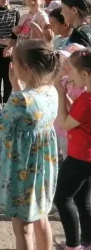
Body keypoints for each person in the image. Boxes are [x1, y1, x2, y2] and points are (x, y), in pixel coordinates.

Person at [0, 40, 61, 250]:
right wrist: (16, 87)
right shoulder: (51, 91)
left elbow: (2, 126)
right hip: (42, 166)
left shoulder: (21, 100)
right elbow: (25, 116)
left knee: (23, 228)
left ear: (26, 68)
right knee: (41, 218)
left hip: (23, 168)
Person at [54, 48, 91, 250]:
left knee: (62, 199)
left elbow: (64, 123)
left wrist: (60, 95)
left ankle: (73, 245)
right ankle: (87, 242)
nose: (69, 76)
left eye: (72, 71)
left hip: (79, 158)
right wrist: (66, 97)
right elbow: (76, 116)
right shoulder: (86, 97)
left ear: (84, 74)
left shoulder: (86, 100)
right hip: (87, 158)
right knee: (82, 200)